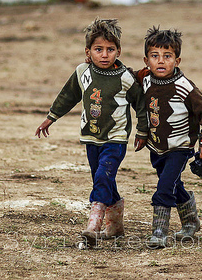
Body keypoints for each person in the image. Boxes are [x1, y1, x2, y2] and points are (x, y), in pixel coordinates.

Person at [35, 18, 148, 248]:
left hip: (115, 138)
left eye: (110, 49)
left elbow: (141, 104)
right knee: (103, 178)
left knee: (102, 177)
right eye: (98, 49)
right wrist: (51, 117)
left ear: (119, 51)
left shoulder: (126, 77)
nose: (104, 55)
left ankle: (94, 225)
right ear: (88, 51)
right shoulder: (82, 72)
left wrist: (143, 131)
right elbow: (68, 95)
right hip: (91, 137)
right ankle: (115, 226)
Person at [134, 26, 202, 248]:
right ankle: (191, 221)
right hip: (156, 146)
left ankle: (160, 231)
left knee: (164, 187)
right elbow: (126, 77)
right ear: (146, 60)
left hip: (179, 147)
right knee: (173, 184)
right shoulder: (145, 79)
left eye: (167, 56)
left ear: (177, 60)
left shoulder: (185, 87)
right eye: (155, 56)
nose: (160, 61)